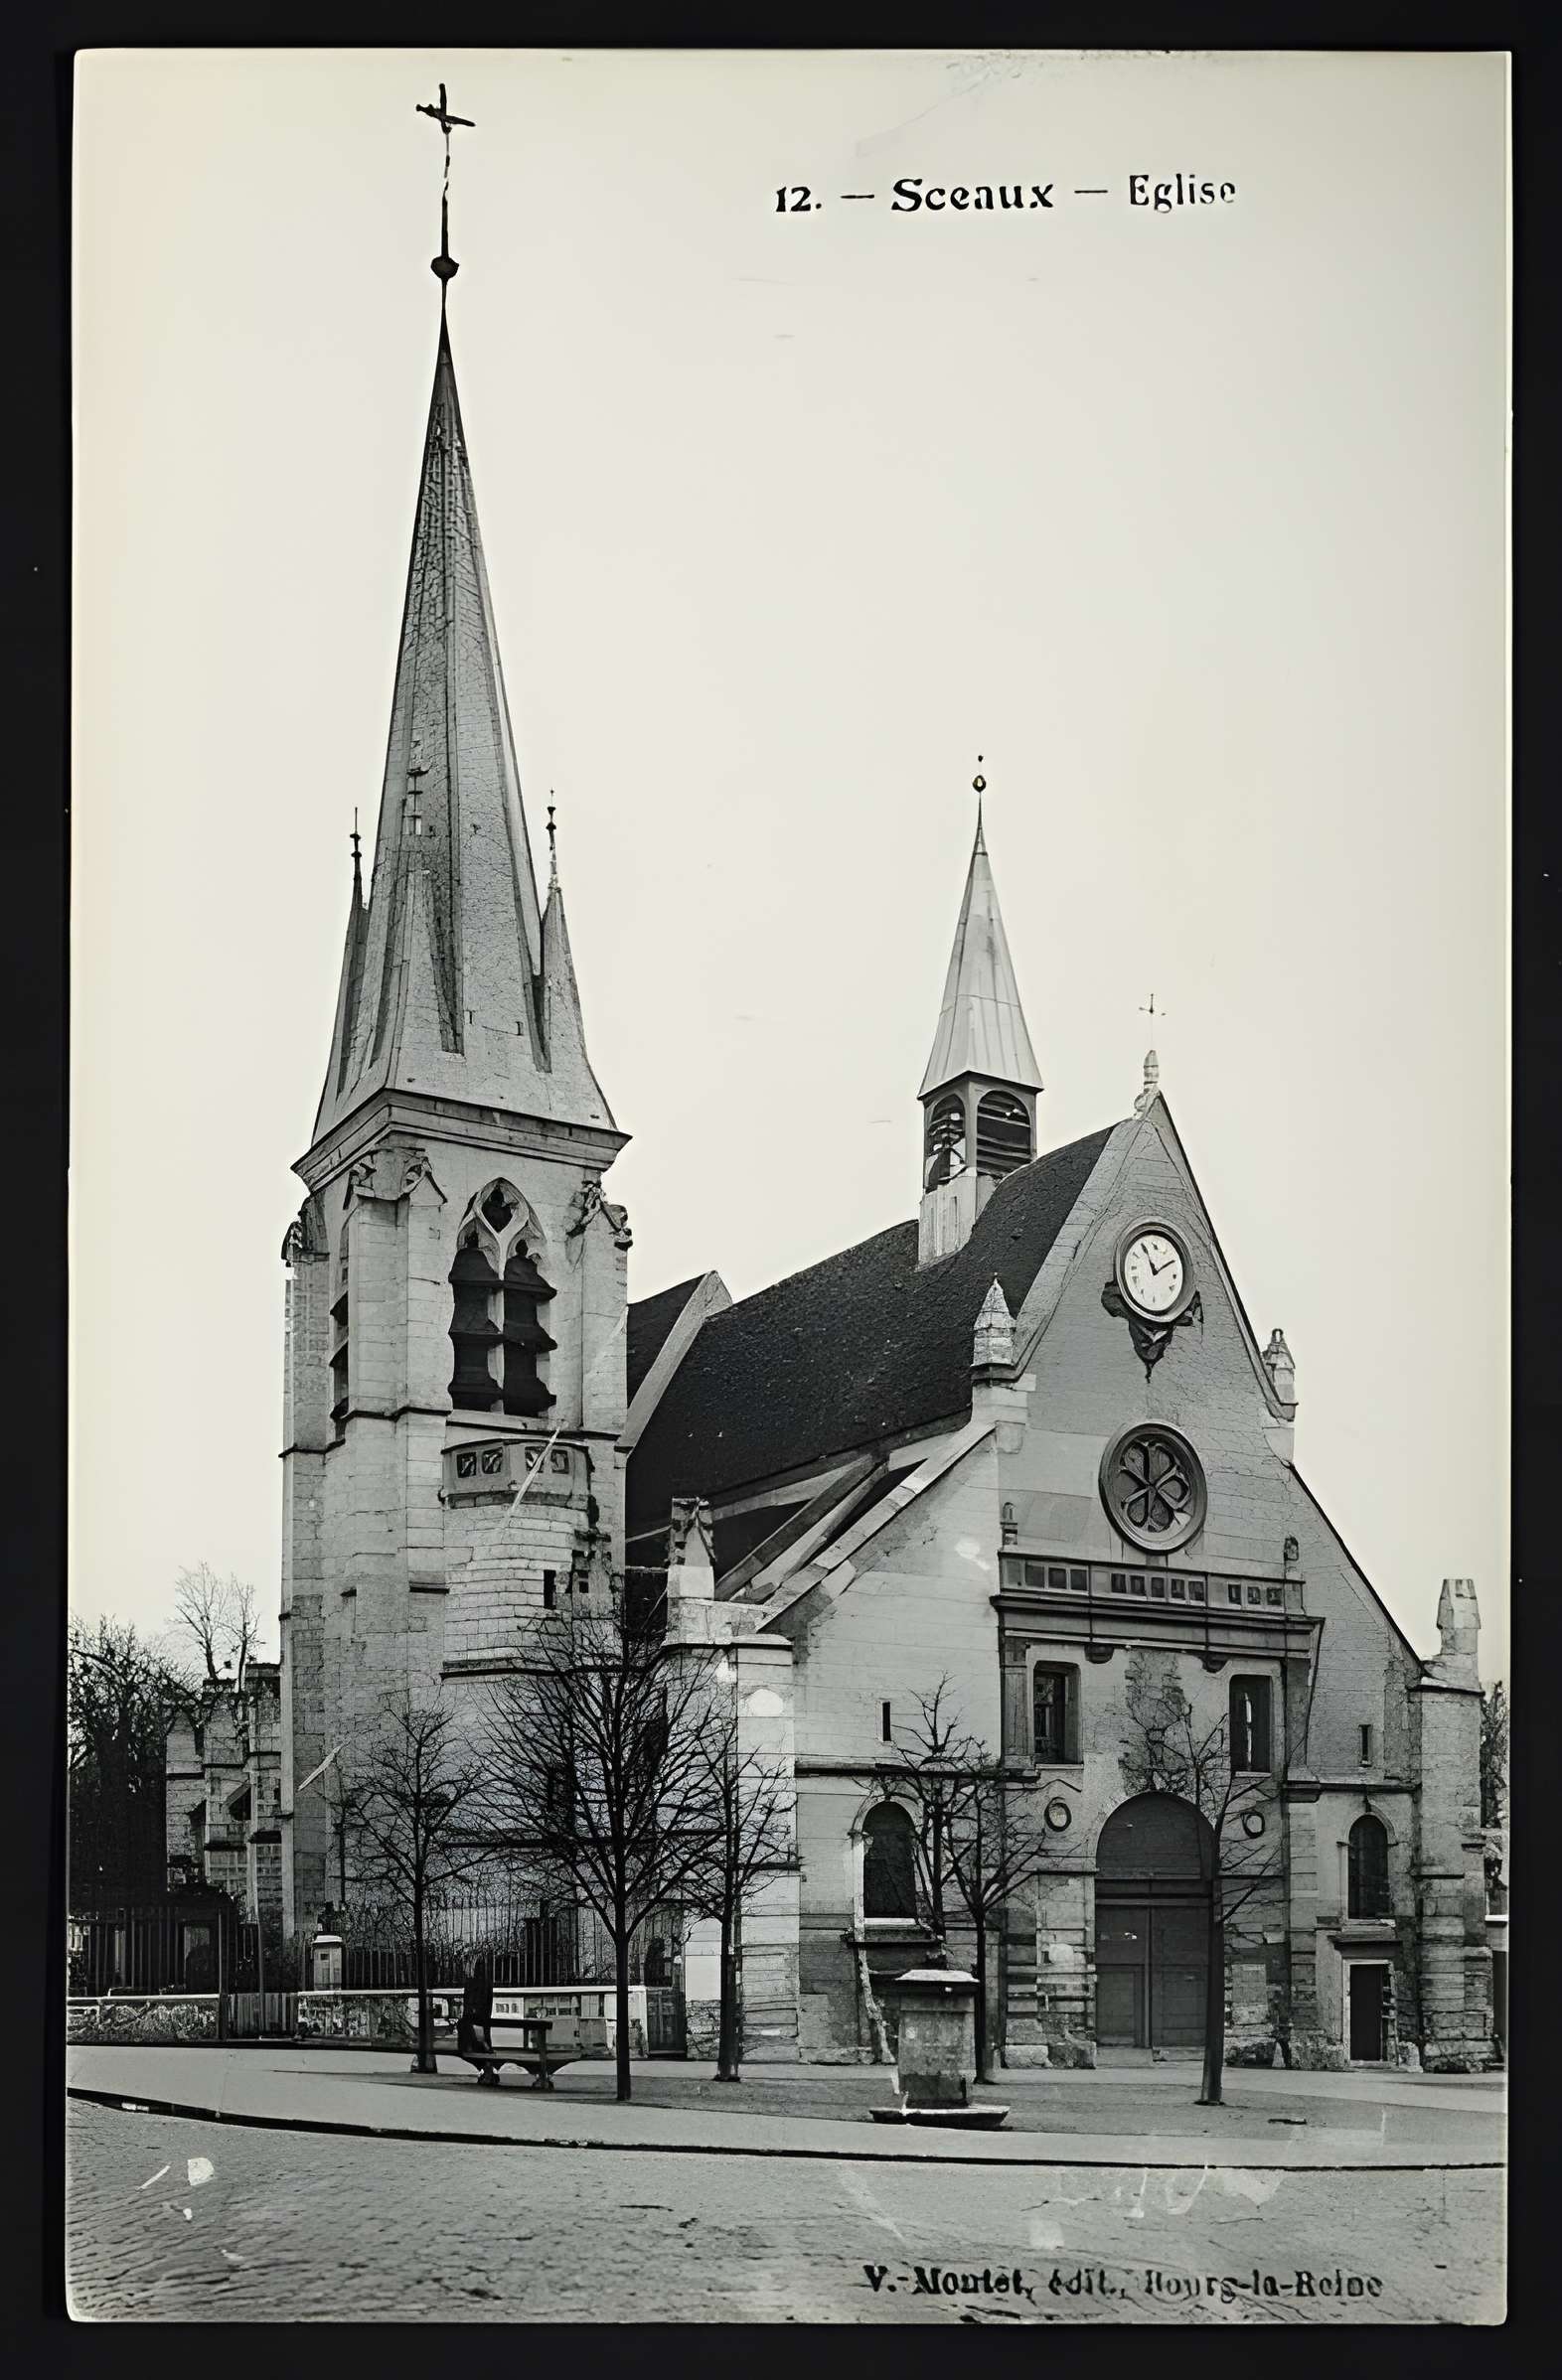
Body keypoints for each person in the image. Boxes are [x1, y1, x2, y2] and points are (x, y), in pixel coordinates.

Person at [459, 1955, 495, 2077]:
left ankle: (485, 2065)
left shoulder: (471, 1983)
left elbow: (469, 2004)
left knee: (475, 2035)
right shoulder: (485, 1983)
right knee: (481, 2036)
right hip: (481, 2019)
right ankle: (487, 2064)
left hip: (474, 2020)